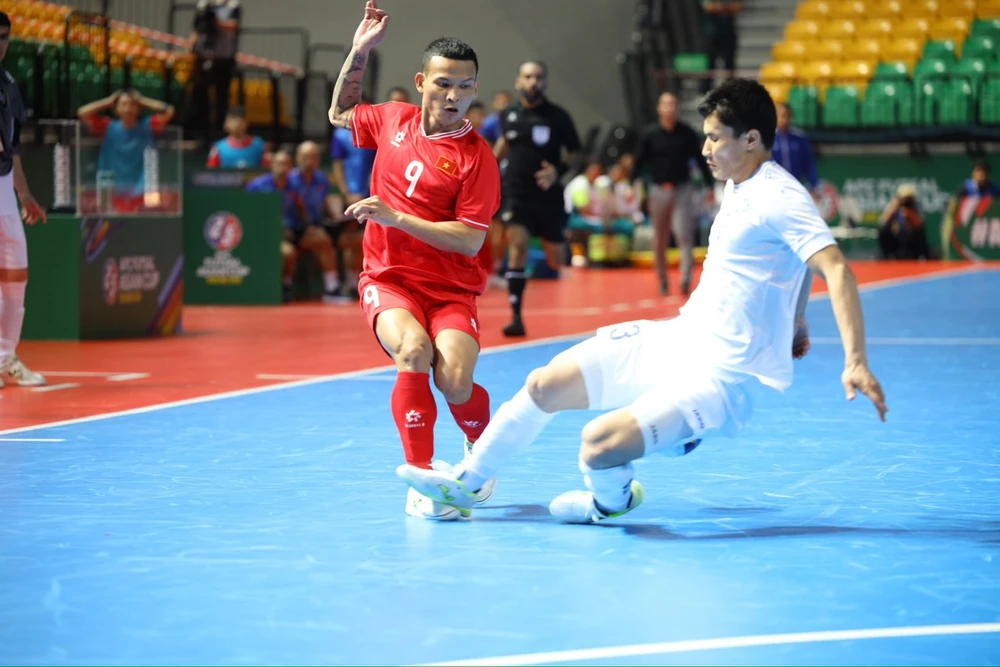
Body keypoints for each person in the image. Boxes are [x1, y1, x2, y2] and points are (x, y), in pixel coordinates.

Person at [398, 78, 888, 524]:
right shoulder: (740, 184)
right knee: (543, 384)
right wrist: (796, 319)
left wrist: (857, 362)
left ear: (752, 140)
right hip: (679, 338)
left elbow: (836, 267)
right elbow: (795, 258)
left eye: (715, 137)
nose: (706, 147)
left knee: (596, 446)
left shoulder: (781, 196)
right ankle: (469, 482)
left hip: (720, 379)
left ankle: (610, 501)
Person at [328, 1, 502, 519]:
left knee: (454, 380)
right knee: (412, 350)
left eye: (466, 87)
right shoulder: (391, 120)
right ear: (422, 81)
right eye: (445, 83)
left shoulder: (477, 158)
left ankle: (482, 453)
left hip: (451, 287)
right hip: (388, 279)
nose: (454, 96)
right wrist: (357, 52)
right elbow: (340, 112)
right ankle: (424, 478)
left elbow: (469, 241)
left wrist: (396, 217)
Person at [495, 61, 581, 337]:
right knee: (517, 246)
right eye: (528, 77)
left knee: (557, 260)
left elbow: (577, 153)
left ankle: (562, 245)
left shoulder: (558, 117)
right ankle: (516, 317)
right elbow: (503, 146)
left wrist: (559, 171)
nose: (534, 81)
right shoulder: (508, 114)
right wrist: (486, 170)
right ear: (519, 81)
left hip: (548, 197)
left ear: (545, 82)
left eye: (539, 77)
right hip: (516, 193)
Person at [0, 11, 47, 388]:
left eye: (4, 37)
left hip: (3, 185)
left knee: (17, 272)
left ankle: (5, 357)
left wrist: (25, 193)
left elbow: (12, 147)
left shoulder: (9, 84)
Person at [630, 91, 714, 295]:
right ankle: (662, 279)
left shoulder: (687, 134)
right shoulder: (650, 134)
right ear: (659, 109)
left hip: (682, 189)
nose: (669, 109)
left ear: (678, 108)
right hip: (658, 189)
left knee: (683, 233)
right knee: (660, 237)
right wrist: (633, 185)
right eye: (665, 104)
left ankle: (685, 278)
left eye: (673, 105)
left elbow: (700, 161)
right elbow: (639, 162)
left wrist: (709, 185)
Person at [77, 89, 175, 210]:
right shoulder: (107, 127)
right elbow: (82, 113)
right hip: (112, 192)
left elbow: (169, 111)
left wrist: (142, 100)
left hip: (143, 191)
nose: (128, 108)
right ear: (116, 108)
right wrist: (108, 101)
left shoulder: (148, 126)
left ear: (138, 108)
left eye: (132, 105)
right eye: (123, 104)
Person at [189, 0, 241, 146]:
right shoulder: (203, 5)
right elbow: (197, 28)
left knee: (221, 98)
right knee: (200, 95)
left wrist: (217, 22)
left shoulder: (232, 5)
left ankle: (220, 135)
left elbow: (234, 26)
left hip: (223, 58)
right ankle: (202, 134)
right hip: (204, 56)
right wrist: (192, 45)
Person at [772, 103, 820, 197]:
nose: (783, 118)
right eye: (780, 115)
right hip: (773, 187)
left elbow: (809, 164)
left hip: (795, 186)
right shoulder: (768, 138)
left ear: (791, 116)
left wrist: (814, 185)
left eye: (785, 115)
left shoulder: (799, 138)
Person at [878, 183, 929, 260]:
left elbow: (920, 225)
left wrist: (911, 215)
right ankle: (888, 257)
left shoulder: (917, 208)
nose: (906, 202)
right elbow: (882, 222)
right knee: (883, 231)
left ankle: (922, 257)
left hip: (912, 242)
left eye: (909, 199)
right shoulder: (894, 207)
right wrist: (893, 210)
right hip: (896, 240)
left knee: (920, 233)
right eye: (904, 199)